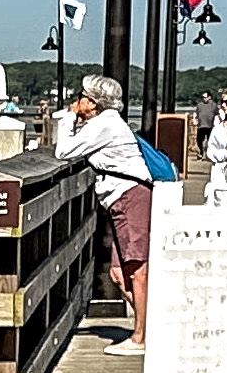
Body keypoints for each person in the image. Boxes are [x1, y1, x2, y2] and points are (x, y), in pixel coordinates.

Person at [59, 74, 157, 354]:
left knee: (137, 269)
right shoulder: (103, 123)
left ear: (93, 102)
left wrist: (67, 118)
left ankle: (140, 338)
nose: (78, 101)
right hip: (121, 197)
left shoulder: (106, 124)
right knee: (117, 273)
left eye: (82, 96)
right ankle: (151, 324)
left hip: (129, 196)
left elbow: (64, 150)